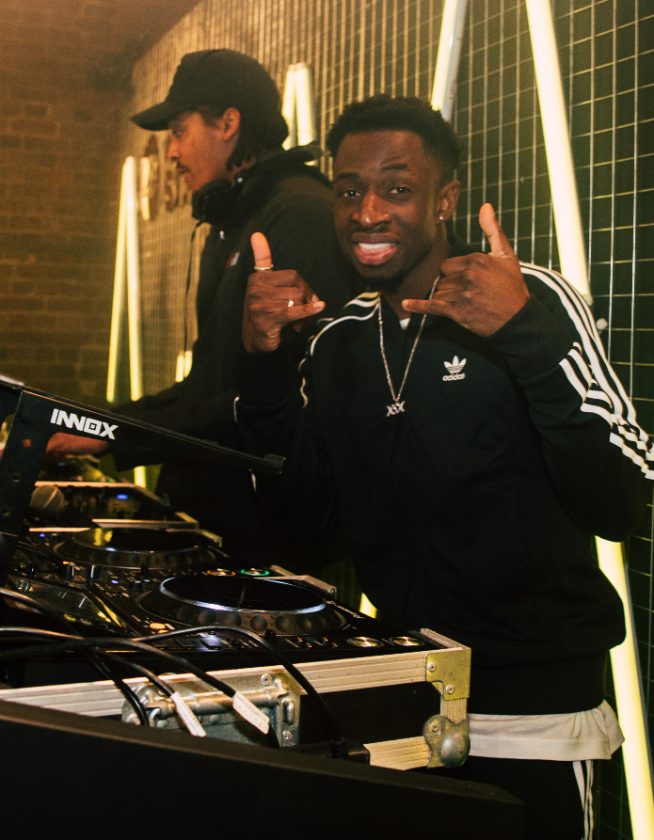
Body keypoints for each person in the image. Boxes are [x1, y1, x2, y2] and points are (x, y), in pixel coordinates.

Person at [236, 95, 653, 838]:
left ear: (445, 200)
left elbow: (621, 501)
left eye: (397, 188)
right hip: (402, 712)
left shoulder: (534, 299)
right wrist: (265, 368)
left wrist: (523, 333)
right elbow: (304, 535)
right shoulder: (338, 344)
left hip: (537, 726)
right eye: (349, 191)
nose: (368, 213)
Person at [47, 49, 355, 562]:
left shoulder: (298, 214)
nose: (171, 152)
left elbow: (269, 400)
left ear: (228, 124)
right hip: (214, 519)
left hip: (266, 538)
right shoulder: (233, 219)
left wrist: (114, 435)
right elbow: (208, 387)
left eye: (178, 131)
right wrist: (95, 422)